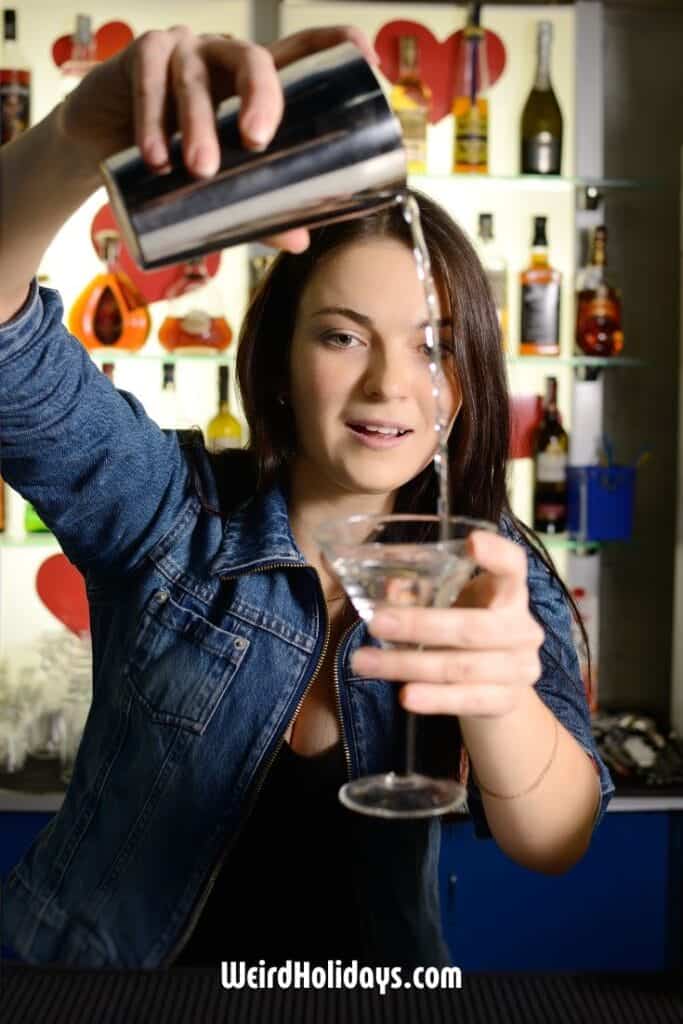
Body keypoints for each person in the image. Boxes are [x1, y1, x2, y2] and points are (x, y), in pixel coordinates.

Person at [0, 25, 614, 970]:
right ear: (282, 362)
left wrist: (499, 696)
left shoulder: (490, 568)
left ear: (469, 380)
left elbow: (554, 839)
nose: (389, 389)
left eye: (434, 347)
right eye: (342, 337)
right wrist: (80, 136)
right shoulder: (171, 516)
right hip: (103, 996)